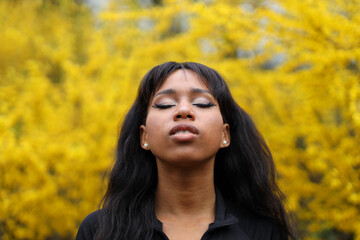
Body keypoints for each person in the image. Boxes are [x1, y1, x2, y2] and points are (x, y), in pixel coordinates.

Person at [75, 62, 296, 240]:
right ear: (144, 137)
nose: (183, 110)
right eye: (164, 104)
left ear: (225, 135)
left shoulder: (262, 231)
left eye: (201, 103)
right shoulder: (99, 231)